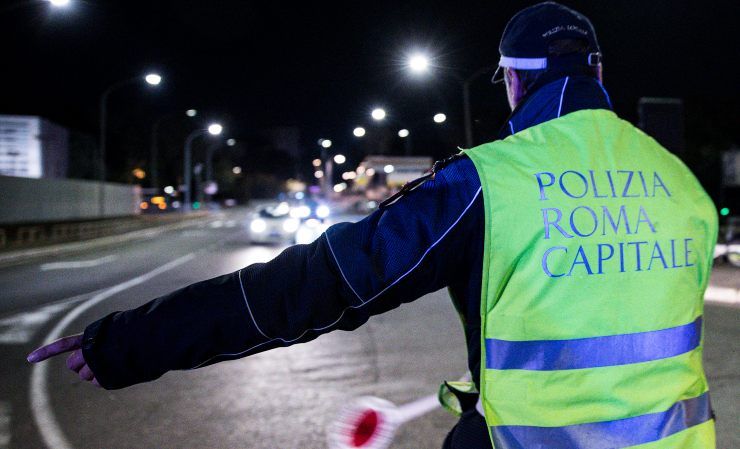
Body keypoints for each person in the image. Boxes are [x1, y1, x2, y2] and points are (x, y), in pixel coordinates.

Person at [28, 2, 719, 448]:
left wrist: (131, 342)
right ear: (599, 70)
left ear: (512, 80)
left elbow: (320, 283)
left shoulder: (491, 180)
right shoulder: (682, 184)